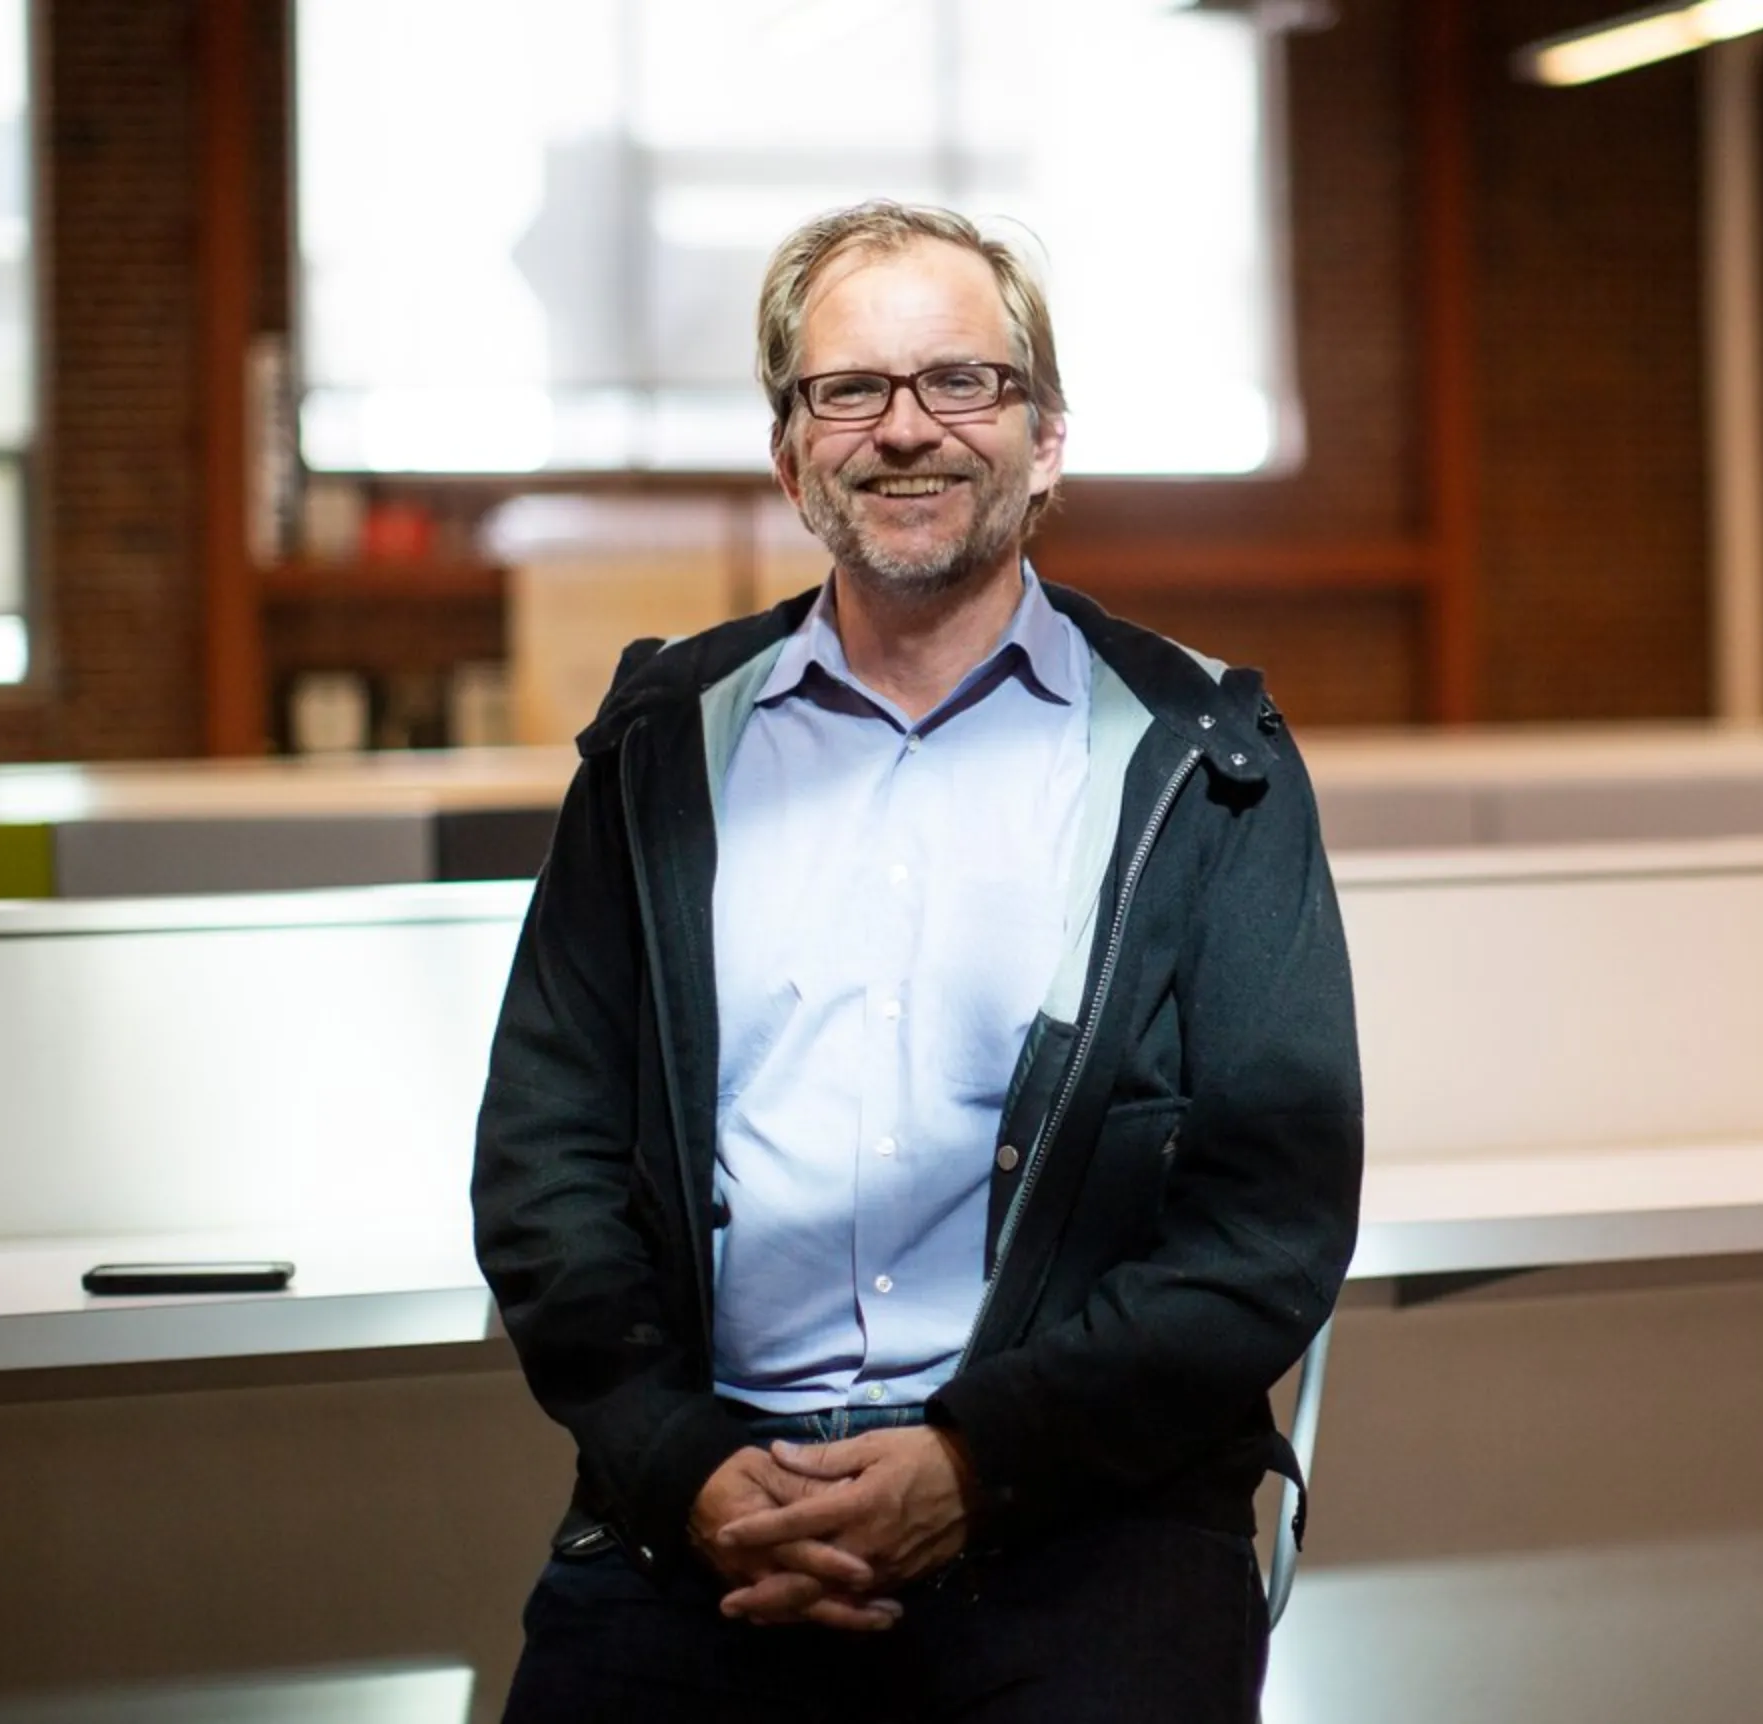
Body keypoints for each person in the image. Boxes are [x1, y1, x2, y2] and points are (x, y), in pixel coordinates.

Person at [472, 200, 1363, 1723]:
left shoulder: (1206, 755)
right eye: (849, 391)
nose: (906, 431)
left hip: (1086, 1507)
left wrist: (978, 1464)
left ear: (1047, 437)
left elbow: (1267, 1218)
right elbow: (542, 1159)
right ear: (788, 451)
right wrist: (678, 1465)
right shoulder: (659, 750)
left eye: (962, 381)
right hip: (704, 1498)